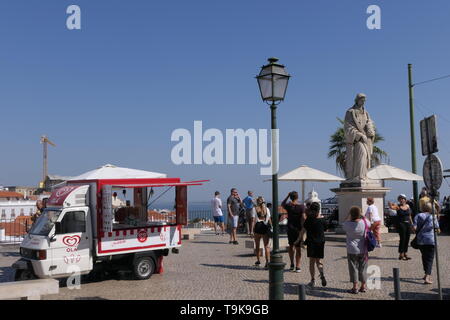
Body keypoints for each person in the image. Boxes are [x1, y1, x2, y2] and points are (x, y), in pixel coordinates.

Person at [344, 93, 376, 182]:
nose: (363, 102)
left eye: (364, 100)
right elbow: (348, 127)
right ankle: (359, 176)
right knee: (362, 154)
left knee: (366, 157)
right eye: (361, 100)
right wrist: (358, 135)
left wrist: (370, 130)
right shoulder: (350, 112)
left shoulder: (366, 113)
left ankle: (364, 175)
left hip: (366, 140)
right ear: (357, 100)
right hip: (356, 140)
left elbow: (370, 123)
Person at [343, 206, 371, 294]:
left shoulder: (347, 224)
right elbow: (369, 223)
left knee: (353, 268)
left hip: (351, 249)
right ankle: (363, 286)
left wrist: (348, 215)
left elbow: (344, 222)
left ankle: (355, 287)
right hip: (363, 248)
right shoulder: (364, 222)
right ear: (359, 214)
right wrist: (362, 215)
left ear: (351, 214)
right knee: (363, 268)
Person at [413, 202, 440, 284]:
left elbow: (414, 227)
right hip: (431, 240)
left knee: (424, 257)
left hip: (421, 240)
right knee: (430, 259)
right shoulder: (433, 217)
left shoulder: (418, 215)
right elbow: (437, 228)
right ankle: (427, 276)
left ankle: (426, 274)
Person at [303, 202, 327, 287]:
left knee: (312, 262)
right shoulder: (322, 219)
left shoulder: (309, 219)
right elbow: (326, 229)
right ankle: (322, 274)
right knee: (319, 261)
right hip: (320, 242)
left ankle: (313, 280)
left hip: (311, 242)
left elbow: (304, 229)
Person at [281, 191, 306, 272]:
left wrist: (287, 195)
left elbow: (282, 203)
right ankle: (298, 266)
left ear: (291, 197)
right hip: (298, 229)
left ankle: (292, 263)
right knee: (298, 248)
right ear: (297, 197)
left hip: (290, 228)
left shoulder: (289, 205)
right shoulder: (302, 207)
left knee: (291, 246)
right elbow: (303, 218)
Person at [389, 194, 413, 260]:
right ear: (399, 200)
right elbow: (392, 207)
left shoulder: (408, 206)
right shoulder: (398, 206)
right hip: (401, 224)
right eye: (400, 199)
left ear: (405, 199)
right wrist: (390, 204)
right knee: (403, 238)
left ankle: (405, 253)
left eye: (403, 199)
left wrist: (412, 224)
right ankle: (401, 253)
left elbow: (410, 216)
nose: (402, 200)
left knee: (407, 238)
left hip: (408, 224)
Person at [253, 196, 271, 269]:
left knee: (257, 245)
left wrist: (251, 230)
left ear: (257, 202)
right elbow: (269, 219)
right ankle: (267, 262)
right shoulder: (267, 209)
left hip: (257, 227)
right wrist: (271, 227)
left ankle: (258, 261)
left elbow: (253, 220)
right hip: (265, 227)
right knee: (266, 246)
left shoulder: (255, 209)